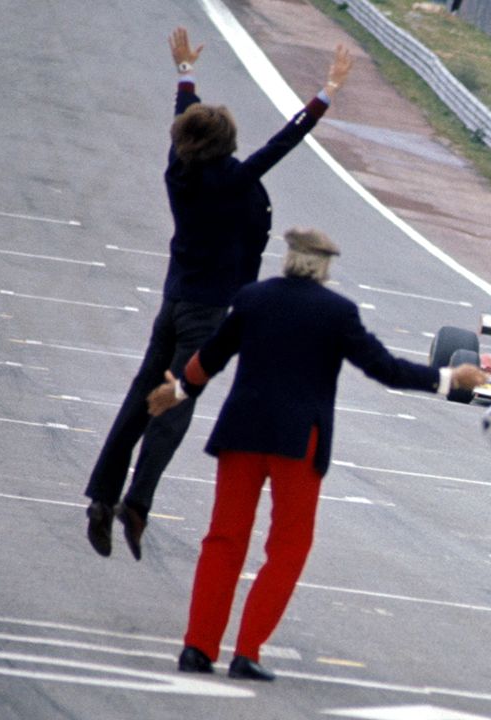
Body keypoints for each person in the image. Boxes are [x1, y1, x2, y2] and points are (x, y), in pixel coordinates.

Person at [148, 228, 488, 681]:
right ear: (324, 266)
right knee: (288, 546)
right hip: (297, 441)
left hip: (241, 432)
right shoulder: (336, 312)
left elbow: (212, 355)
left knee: (223, 540)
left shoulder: (253, 298)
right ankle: (247, 651)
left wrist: (181, 388)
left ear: (288, 258)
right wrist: (449, 379)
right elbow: (384, 369)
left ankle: (197, 647)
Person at [83, 29, 353, 561]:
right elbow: (282, 142)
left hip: (173, 300)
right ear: (227, 146)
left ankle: (101, 495)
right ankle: (136, 504)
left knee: (140, 397)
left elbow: (188, 118)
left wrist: (186, 74)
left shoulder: (178, 168)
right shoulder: (231, 180)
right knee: (175, 405)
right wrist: (324, 94)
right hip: (206, 313)